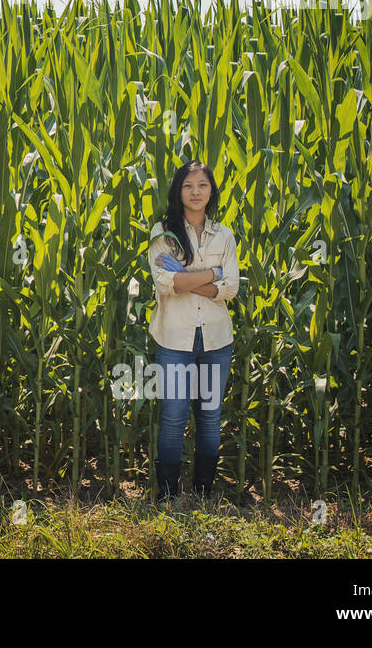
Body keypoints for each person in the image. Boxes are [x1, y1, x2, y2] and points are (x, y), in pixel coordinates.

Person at [146, 159, 240, 502]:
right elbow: (165, 283)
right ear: (178, 191)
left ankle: (202, 492)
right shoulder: (163, 233)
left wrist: (192, 279)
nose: (196, 191)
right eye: (188, 185)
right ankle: (167, 495)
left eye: (202, 185)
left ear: (211, 190)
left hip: (217, 338)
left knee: (210, 417)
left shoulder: (224, 235)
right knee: (173, 417)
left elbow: (231, 289)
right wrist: (213, 274)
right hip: (174, 338)